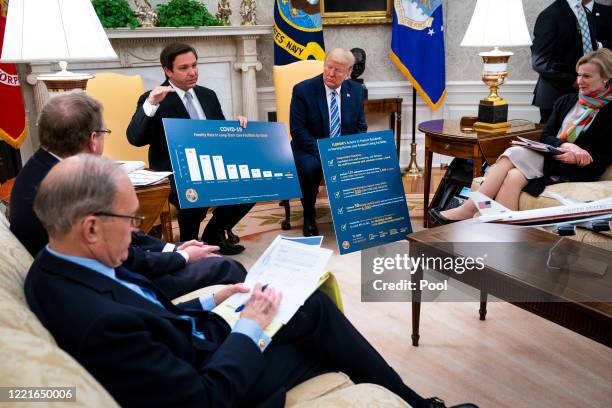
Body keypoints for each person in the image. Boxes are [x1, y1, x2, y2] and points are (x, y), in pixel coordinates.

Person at [25, 154, 476, 408]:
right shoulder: (100, 324)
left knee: (307, 307)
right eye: (132, 219)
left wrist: (210, 302)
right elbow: (204, 401)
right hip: (211, 374)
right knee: (309, 333)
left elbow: (148, 314)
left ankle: (416, 404)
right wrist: (248, 330)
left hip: (198, 339)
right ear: (90, 226)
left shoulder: (64, 262)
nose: (138, 229)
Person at [10, 91, 246, 299]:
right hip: (109, 281)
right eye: (103, 132)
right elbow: (125, 256)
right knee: (228, 268)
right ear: (93, 140)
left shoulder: (42, 166)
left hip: (98, 268)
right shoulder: (70, 186)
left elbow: (125, 236)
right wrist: (182, 257)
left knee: (206, 255)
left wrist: (173, 249)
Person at [431, 48, 612, 224]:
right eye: (578, 75)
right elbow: (546, 136)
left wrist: (579, 157)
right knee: (513, 176)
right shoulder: (567, 101)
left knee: (514, 153)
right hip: (552, 159)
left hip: (577, 169)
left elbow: (606, 155)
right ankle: (507, 240)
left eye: (587, 76)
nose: (580, 81)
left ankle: (469, 208)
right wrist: (567, 146)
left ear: (605, 78)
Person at [127, 42, 254, 255]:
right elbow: (135, 138)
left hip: (211, 164)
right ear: (168, 71)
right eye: (184, 68)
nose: (192, 72)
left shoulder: (208, 95)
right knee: (196, 193)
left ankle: (215, 232)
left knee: (253, 185)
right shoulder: (154, 98)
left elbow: (220, 135)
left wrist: (237, 127)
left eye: (194, 65)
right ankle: (189, 246)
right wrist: (151, 104)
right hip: (176, 171)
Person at [290, 48, 367, 236]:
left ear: (348, 73)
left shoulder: (356, 91)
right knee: (310, 168)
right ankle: (309, 213)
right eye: (328, 67)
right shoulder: (303, 90)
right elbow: (298, 131)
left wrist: (346, 151)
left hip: (342, 149)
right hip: (309, 148)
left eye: (338, 70)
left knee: (371, 163)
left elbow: (360, 127)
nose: (331, 74)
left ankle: (355, 212)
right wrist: (325, 152)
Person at [531, 0, 599, 124]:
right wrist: (573, 81)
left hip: (586, 96)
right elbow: (540, 61)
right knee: (554, 142)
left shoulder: (586, 12)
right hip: (556, 97)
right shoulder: (550, 15)